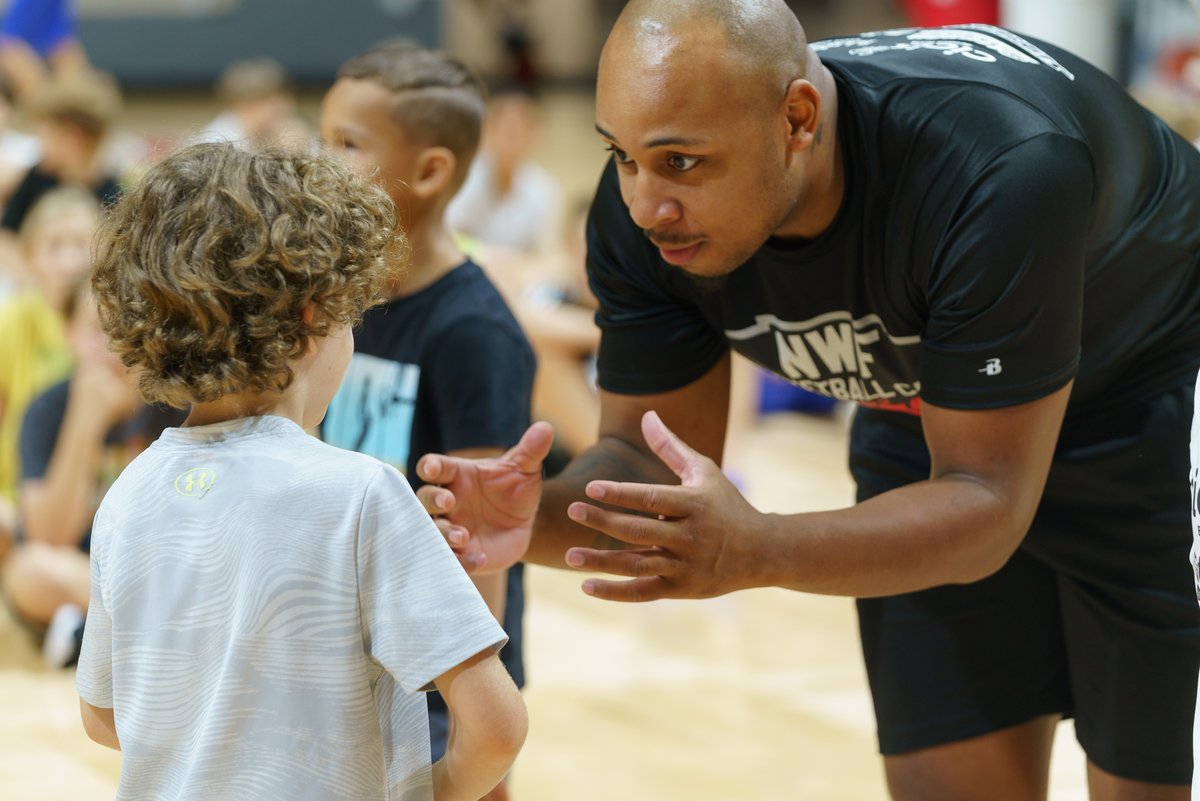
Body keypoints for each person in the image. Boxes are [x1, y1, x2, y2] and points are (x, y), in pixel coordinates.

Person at [414, 3, 1200, 800]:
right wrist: (531, 519)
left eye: (681, 162)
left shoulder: (998, 166)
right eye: (621, 156)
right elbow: (646, 462)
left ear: (797, 119)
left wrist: (758, 546)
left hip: (1145, 399)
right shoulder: (644, 215)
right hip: (929, 424)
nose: (647, 203)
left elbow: (989, 504)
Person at [76, 142, 527, 801]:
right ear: (314, 317)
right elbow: (496, 726)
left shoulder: (127, 496)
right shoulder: (361, 493)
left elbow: (103, 714)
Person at [319, 43, 535, 801]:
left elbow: (486, 547)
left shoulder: (473, 331)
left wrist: (471, 709)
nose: (324, 161)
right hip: (347, 652)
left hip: (438, 676)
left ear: (433, 170)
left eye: (347, 144)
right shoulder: (337, 303)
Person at [2, 279, 184, 667]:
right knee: (28, 572)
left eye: (123, 330)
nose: (110, 349)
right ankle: (142, 633)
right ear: (68, 334)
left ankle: (89, 635)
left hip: (150, 571)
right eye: (95, 332)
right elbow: (49, 536)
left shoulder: (174, 405)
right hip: (77, 571)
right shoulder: (47, 409)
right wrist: (86, 419)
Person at [0, 188, 100, 540]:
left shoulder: (115, 322)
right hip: (20, 493)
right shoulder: (11, 321)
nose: (69, 260)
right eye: (54, 246)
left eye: (80, 245)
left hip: (96, 490)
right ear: (29, 257)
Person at [0, 69, 121, 235]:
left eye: (43, 136)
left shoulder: (114, 196)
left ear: (71, 139)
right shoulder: (36, 178)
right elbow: (7, 236)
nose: (39, 146)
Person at [446, 86, 564, 255]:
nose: (512, 141)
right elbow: (447, 237)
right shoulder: (463, 178)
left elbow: (544, 253)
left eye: (521, 131)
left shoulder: (545, 190)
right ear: (488, 130)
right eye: (508, 131)